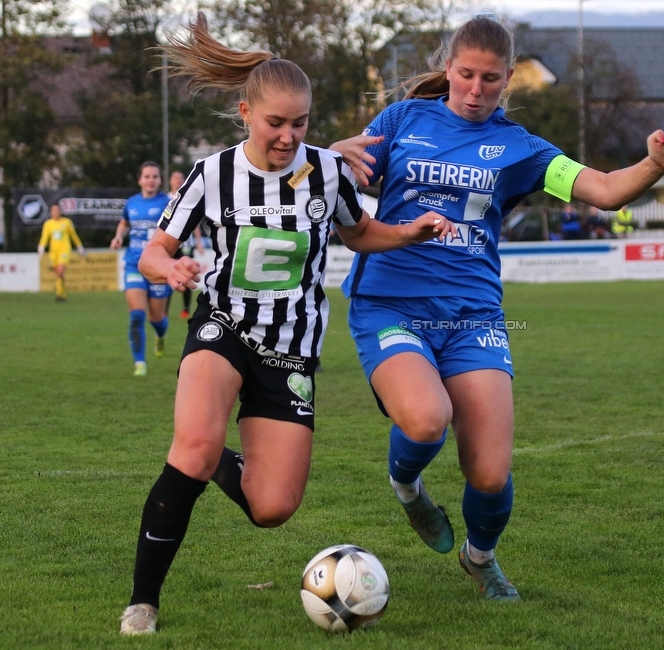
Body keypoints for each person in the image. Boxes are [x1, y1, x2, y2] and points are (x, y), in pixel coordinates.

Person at [331, 13, 664, 601]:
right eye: (466, 75)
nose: (476, 91)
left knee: (491, 473)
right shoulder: (403, 119)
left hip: (474, 315)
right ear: (447, 68)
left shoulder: (518, 148)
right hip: (390, 303)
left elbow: (603, 190)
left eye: (492, 80)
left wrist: (655, 163)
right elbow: (338, 179)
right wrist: (328, 155)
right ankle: (406, 486)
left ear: (509, 82)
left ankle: (480, 560)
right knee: (427, 420)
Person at [117, 13, 452, 636]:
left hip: (292, 350)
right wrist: (170, 268)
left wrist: (408, 231)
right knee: (189, 449)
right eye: (276, 122)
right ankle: (142, 603)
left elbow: (357, 231)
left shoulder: (323, 170)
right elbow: (152, 250)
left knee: (272, 508)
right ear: (245, 112)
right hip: (224, 325)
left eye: (300, 123)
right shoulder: (212, 174)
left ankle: (218, 457)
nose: (288, 136)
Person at [110, 161, 172, 376]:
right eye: (147, 176)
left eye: (155, 176)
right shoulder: (132, 203)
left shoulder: (169, 202)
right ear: (140, 180)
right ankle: (140, 363)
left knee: (156, 318)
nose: (151, 180)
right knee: (137, 314)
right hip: (133, 264)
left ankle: (161, 334)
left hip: (158, 266)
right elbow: (124, 223)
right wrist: (119, 236)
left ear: (160, 180)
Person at [166, 169, 204, 318]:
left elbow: (195, 224)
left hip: (186, 242)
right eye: (175, 177)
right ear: (170, 181)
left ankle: (186, 308)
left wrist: (199, 243)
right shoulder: (165, 199)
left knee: (186, 274)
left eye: (181, 177)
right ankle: (164, 309)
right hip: (169, 241)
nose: (178, 180)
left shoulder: (188, 197)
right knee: (167, 273)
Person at [37, 203, 85, 302]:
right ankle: (62, 295)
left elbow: (73, 235)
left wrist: (79, 246)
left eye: (58, 210)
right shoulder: (48, 224)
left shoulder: (67, 222)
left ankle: (59, 295)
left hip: (64, 250)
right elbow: (45, 237)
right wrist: (41, 247)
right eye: (54, 210)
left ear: (61, 211)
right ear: (51, 212)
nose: (56, 212)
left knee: (60, 272)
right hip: (53, 252)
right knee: (59, 275)